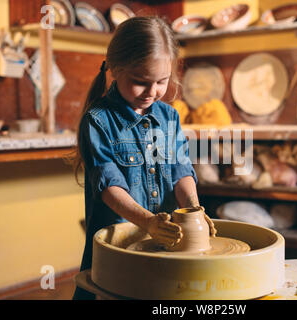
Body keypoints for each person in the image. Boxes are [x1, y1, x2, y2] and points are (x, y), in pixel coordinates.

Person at [71, 16, 216, 300]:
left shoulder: (169, 116)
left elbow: (180, 169)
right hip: (117, 248)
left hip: (165, 243)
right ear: (114, 69)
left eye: (161, 82)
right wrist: (149, 222)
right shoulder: (98, 121)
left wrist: (193, 208)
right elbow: (109, 187)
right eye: (140, 82)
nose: (152, 92)